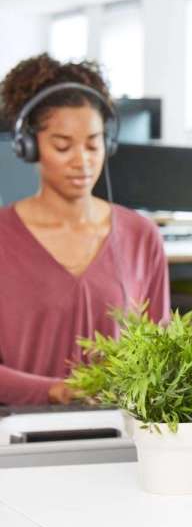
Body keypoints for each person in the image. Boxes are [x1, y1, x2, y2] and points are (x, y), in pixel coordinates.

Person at [0, 55, 169, 406]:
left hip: (123, 425)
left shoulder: (141, 236)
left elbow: (162, 349)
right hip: (21, 429)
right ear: (28, 146)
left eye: (93, 144)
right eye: (63, 146)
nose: (82, 161)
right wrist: (56, 390)